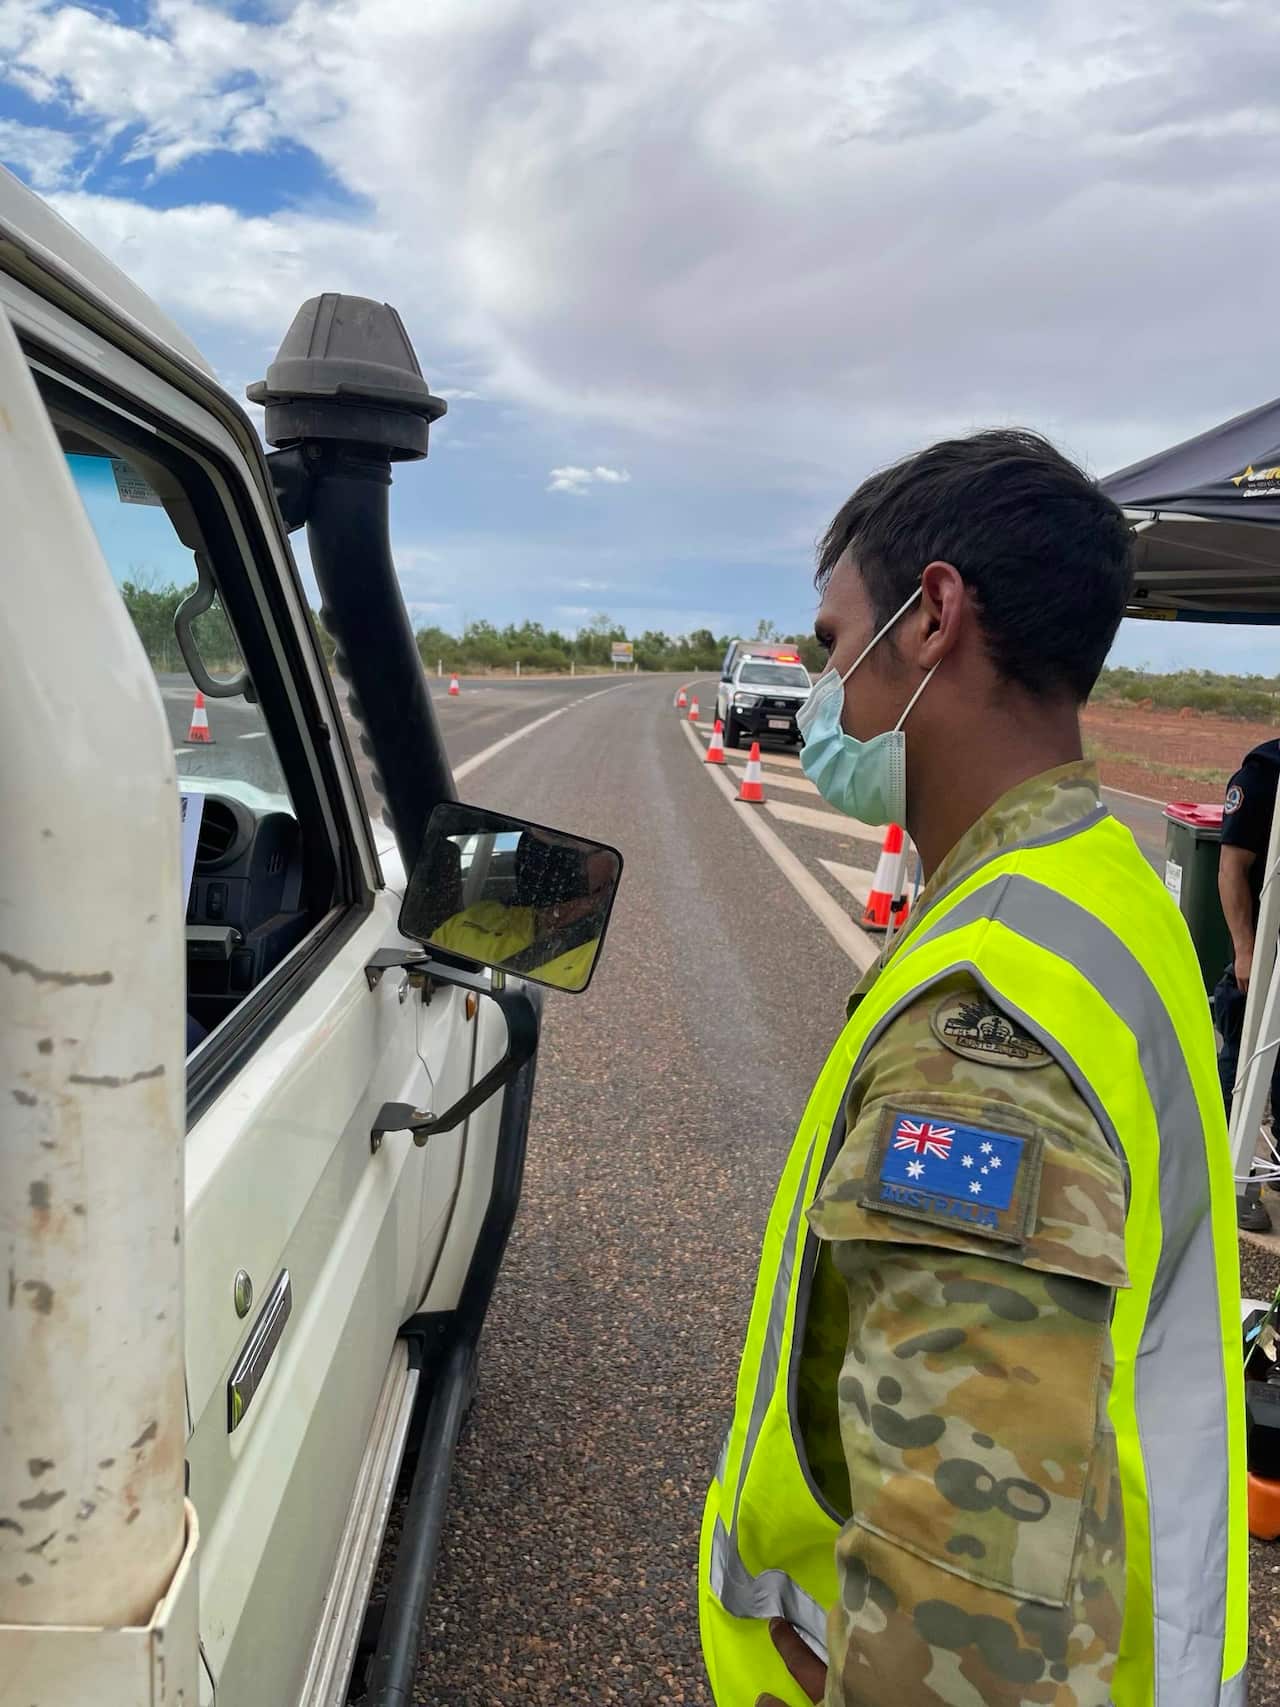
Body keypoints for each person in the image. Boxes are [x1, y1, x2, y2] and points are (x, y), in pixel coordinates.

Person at [699, 431, 1246, 1707]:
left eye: (834, 645)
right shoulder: (1106, 883)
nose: (824, 700)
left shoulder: (988, 1010)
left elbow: (969, 1612)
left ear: (932, 614)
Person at [1214, 738, 1280, 1231]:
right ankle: (1232, 1182)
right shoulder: (1264, 772)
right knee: (1241, 1072)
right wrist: (1246, 950)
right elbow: (1231, 868)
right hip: (1262, 961)